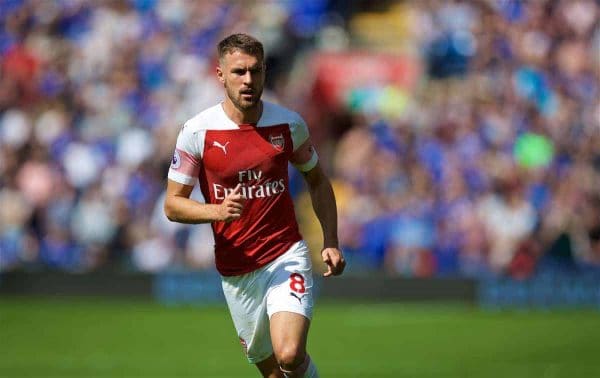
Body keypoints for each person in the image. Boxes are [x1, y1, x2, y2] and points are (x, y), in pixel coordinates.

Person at [164, 33, 345, 378]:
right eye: (239, 72)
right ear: (220, 75)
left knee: (289, 355)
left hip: (285, 255)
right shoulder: (197, 132)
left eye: (256, 71)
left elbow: (318, 180)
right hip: (236, 270)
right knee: (275, 373)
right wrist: (216, 211)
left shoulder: (288, 124)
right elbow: (173, 205)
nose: (249, 81)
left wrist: (331, 240)